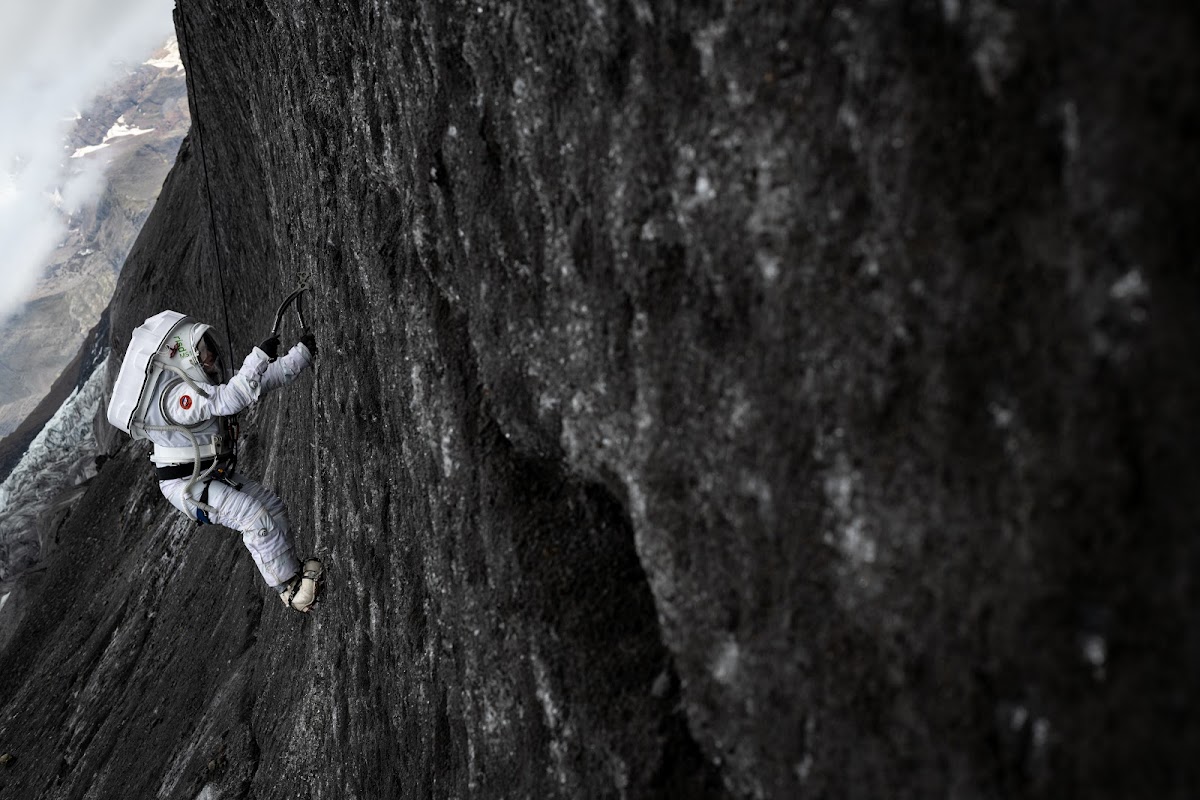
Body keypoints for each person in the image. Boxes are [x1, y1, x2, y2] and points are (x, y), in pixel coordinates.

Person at [115, 311, 323, 612]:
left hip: (205, 473)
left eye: (208, 348)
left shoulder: (195, 386)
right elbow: (232, 398)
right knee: (252, 517)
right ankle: (290, 591)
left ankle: (293, 573)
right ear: (185, 362)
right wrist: (258, 356)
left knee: (271, 507)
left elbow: (256, 385)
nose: (210, 356)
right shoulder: (179, 399)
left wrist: (301, 354)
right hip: (188, 484)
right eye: (202, 353)